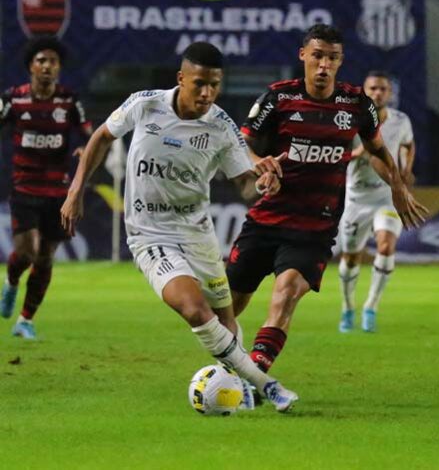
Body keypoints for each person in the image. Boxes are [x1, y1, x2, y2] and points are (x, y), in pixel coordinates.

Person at [60, 42, 299, 412]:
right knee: (193, 309)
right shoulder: (145, 104)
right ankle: (266, 384)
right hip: (149, 233)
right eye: (199, 83)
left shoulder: (221, 126)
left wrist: (264, 183)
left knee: (225, 318)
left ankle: (238, 385)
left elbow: (245, 184)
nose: (206, 93)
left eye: (214, 85)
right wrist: (75, 190)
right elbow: (101, 138)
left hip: (197, 233)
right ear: (181, 78)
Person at [226, 25, 426, 395]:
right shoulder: (278, 99)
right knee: (228, 308)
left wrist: (398, 187)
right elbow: (241, 145)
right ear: (303, 55)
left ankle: (254, 379)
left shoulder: (355, 105)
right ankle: (229, 369)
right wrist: (260, 164)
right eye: (317, 55)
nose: (323, 65)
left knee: (285, 293)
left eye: (331, 58)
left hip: (314, 227)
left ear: (340, 61)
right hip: (266, 219)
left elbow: (379, 150)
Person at [0, 37, 93, 339]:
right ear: (31, 66)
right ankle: (11, 282)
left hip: (58, 192)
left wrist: (84, 151)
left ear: (59, 68)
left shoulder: (68, 101)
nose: (47, 66)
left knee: (45, 258)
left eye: (52, 61)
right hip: (25, 188)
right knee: (26, 252)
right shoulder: (14, 99)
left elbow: (89, 135)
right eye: (41, 60)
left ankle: (25, 320)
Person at [337, 71, 415, 333]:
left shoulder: (401, 120)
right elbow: (337, 155)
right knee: (350, 257)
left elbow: (408, 144)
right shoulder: (350, 120)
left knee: (386, 246)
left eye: (382, 89)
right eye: (373, 89)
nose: (378, 93)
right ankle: (348, 307)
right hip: (357, 198)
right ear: (365, 91)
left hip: (386, 197)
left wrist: (405, 170)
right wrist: (358, 152)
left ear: (389, 93)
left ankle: (371, 306)